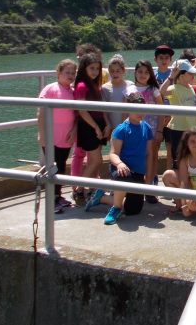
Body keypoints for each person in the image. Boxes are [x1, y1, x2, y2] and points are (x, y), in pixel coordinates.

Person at [87, 94, 157, 223]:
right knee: (124, 176)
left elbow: (149, 154)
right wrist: (119, 164)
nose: (140, 113)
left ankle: (101, 197)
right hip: (121, 169)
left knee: (133, 209)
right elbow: (113, 154)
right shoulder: (121, 129)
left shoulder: (146, 128)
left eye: (143, 109)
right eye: (136, 110)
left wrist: (148, 177)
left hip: (138, 173)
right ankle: (116, 207)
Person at [36, 59, 78, 212]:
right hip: (50, 137)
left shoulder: (73, 91)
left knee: (61, 166)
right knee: (52, 168)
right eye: (67, 72)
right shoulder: (50, 89)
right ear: (58, 73)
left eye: (73, 73)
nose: (70, 75)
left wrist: (74, 131)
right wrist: (42, 134)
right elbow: (41, 112)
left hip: (65, 137)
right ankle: (52, 200)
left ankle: (57, 196)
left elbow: (77, 114)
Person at [73, 52, 108, 194]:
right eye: (92, 68)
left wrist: (105, 124)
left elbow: (100, 107)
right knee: (96, 160)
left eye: (97, 68)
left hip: (96, 124)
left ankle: (91, 188)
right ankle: (79, 189)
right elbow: (82, 110)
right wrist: (96, 128)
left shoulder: (93, 84)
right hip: (88, 127)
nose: (95, 72)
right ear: (84, 68)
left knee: (96, 160)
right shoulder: (82, 86)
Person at [159, 59, 196, 170]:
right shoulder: (173, 88)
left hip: (193, 129)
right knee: (179, 159)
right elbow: (162, 91)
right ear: (181, 75)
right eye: (190, 73)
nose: (193, 75)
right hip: (178, 130)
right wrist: (171, 77)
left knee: (193, 157)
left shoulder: (194, 88)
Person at [132, 59, 164, 201]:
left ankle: (149, 187)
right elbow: (124, 112)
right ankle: (136, 188)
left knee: (152, 158)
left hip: (152, 130)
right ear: (135, 73)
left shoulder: (154, 90)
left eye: (146, 72)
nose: (143, 75)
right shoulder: (130, 90)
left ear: (150, 74)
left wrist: (159, 131)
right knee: (137, 158)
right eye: (140, 72)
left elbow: (162, 112)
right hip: (135, 130)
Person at [101, 54, 133, 128]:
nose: (115, 74)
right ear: (109, 71)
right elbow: (103, 111)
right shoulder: (105, 88)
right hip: (113, 127)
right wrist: (108, 125)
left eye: (118, 71)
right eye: (112, 71)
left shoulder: (131, 85)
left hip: (129, 126)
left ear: (123, 70)